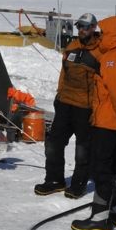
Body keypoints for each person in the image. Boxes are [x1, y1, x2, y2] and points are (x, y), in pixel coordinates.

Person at [71, 16, 116, 230]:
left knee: (101, 169)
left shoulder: (111, 59)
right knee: (114, 164)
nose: (99, 35)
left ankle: (99, 218)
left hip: (107, 122)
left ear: (112, 34)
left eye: (103, 32)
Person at [34, 13, 101, 198]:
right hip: (65, 103)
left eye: (86, 26)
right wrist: (59, 95)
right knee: (54, 143)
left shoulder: (101, 51)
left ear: (94, 27)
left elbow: (103, 83)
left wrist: (97, 108)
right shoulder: (72, 46)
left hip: (85, 108)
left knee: (83, 149)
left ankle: (79, 184)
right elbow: (64, 73)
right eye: (79, 26)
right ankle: (54, 180)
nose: (82, 30)